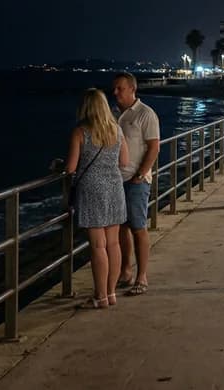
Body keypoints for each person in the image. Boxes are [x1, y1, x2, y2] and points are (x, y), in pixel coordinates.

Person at [67, 88, 129, 309]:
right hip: (114, 188)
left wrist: (60, 166)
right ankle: (111, 293)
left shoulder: (80, 132)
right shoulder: (117, 130)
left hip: (91, 191)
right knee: (113, 243)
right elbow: (125, 160)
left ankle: (100, 296)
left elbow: (71, 168)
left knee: (97, 246)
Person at [112, 73, 159, 297]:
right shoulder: (113, 114)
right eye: (114, 89)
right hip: (115, 180)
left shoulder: (145, 114)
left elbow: (154, 147)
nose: (115, 93)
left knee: (138, 227)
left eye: (119, 89)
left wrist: (140, 175)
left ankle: (142, 276)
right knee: (121, 227)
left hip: (136, 180)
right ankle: (125, 270)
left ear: (132, 89)